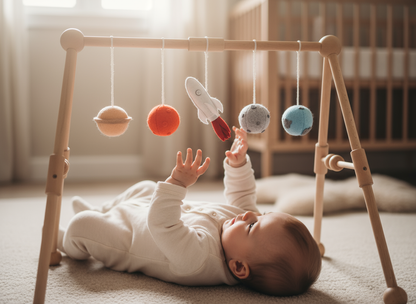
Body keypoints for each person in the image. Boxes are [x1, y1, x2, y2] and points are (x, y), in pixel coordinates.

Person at [58, 127, 321, 296]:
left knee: (84, 225)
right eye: (262, 215)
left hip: (129, 237)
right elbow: (243, 197)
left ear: (239, 266)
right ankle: (104, 208)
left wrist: (177, 185)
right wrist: (238, 165)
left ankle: (66, 243)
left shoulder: (198, 260)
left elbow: (164, 225)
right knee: (146, 187)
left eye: (253, 226)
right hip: (145, 210)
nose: (250, 215)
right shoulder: (240, 228)